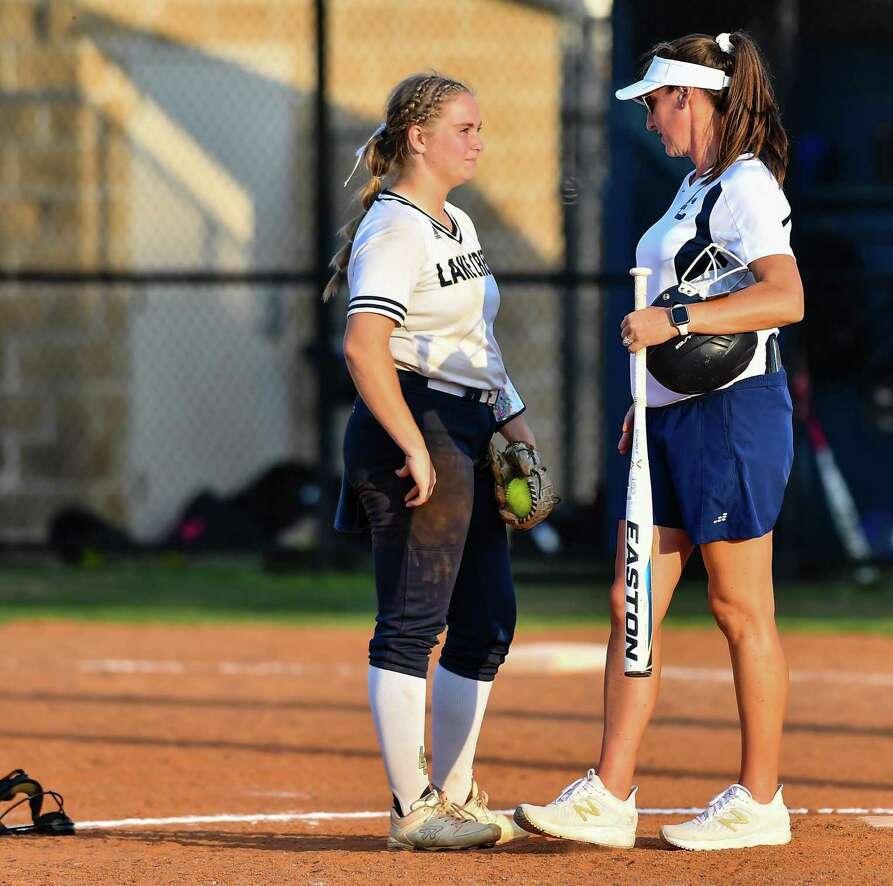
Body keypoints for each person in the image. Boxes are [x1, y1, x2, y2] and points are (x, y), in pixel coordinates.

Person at [515, 31, 804, 851]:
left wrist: (674, 319)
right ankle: (610, 794)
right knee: (629, 600)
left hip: (734, 414)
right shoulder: (692, 188)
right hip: (671, 417)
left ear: (689, 96)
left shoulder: (745, 185)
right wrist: (647, 400)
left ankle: (760, 799)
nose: (648, 120)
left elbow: (785, 297)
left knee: (740, 607)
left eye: (653, 103)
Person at [325, 72, 554, 851]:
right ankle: (411, 809)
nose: (479, 140)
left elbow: (479, 348)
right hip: (411, 419)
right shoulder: (395, 227)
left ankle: (453, 794)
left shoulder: (455, 222)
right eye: (464, 127)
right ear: (417, 138)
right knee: (413, 619)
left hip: (465, 421)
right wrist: (413, 445)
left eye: (480, 127)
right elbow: (364, 347)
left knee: (488, 617)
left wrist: (514, 422)